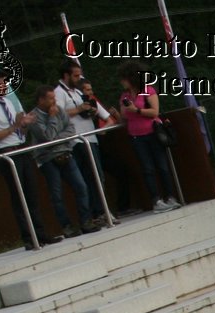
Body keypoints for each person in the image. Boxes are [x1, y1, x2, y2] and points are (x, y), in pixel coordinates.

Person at [0, 71, 54, 249]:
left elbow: (19, 132)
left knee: (32, 192)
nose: (3, 87)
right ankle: (28, 237)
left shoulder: (9, 103)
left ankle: (40, 233)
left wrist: (24, 125)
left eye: (5, 83)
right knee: (19, 196)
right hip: (7, 154)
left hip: (21, 149)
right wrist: (16, 125)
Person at [25, 84, 98, 238]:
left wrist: (58, 139)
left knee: (81, 186)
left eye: (54, 98)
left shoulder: (60, 110)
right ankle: (66, 225)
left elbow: (71, 129)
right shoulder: (33, 117)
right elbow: (46, 137)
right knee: (56, 194)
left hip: (65, 152)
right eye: (50, 99)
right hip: (47, 158)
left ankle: (85, 221)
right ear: (41, 100)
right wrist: (51, 117)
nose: (54, 101)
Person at [54, 60, 111, 226]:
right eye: (76, 75)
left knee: (97, 176)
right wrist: (79, 109)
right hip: (76, 140)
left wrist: (91, 110)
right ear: (66, 75)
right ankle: (96, 212)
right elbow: (58, 115)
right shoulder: (59, 93)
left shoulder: (77, 92)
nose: (79, 78)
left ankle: (101, 210)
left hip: (90, 138)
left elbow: (102, 113)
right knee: (89, 178)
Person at [116, 62, 178, 212]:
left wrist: (136, 110)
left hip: (153, 132)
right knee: (147, 168)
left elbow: (154, 112)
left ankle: (170, 196)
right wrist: (118, 114)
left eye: (124, 78)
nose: (122, 82)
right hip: (136, 136)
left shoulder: (148, 91)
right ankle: (156, 200)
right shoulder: (124, 96)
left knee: (162, 166)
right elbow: (124, 117)